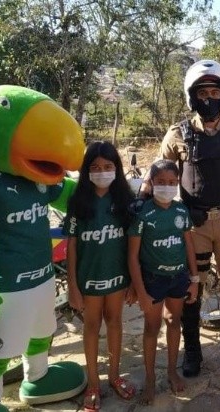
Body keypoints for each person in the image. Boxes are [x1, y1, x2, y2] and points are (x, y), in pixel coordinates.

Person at [141, 59, 220, 376]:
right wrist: (140, 201)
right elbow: (156, 174)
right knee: (192, 286)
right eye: (202, 93)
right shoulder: (177, 134)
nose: (209, 98)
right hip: (192, 224)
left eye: (214, 92)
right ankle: (193, 350)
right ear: (191, 96)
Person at [66, 141, 136, 411]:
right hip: (89, 279)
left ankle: (115, 376)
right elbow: (72, 245)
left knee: (115, 322)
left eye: (108, 166)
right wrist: (73, 286)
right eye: (95, 167)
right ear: (86, 171)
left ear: (117, 168)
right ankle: (93, 383)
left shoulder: (126, 201)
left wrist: (133, 282)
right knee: (92, 327)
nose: (102, 172)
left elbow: (133, 245)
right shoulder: (78, 202)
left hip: (117, 277)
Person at [128, 159, 199, 403]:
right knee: (152, 327)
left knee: (174, 321)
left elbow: (188, 245)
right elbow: (132, 256)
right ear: (152, 182)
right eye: (161, 182)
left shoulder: (181, 211)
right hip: (152, 280)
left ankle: (171, 371)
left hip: (178, 278)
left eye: (172, 182)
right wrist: (140, 291)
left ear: (178, 183)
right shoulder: (143, 213)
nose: (166, 187)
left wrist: (194, 279)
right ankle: (149, 379)